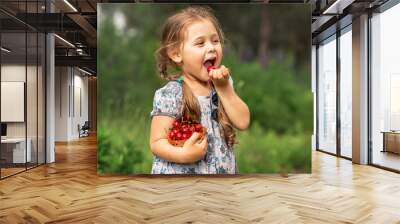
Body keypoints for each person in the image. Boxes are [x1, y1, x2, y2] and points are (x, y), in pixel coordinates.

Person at [149, 6, 250, 174]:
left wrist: (225, 89)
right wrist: (183, 154)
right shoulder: (171, 94)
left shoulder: (223, 84)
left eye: (215, 41)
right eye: (200, 43)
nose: (211, 48)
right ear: (176, 54)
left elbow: (243, 122)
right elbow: (156, 142)